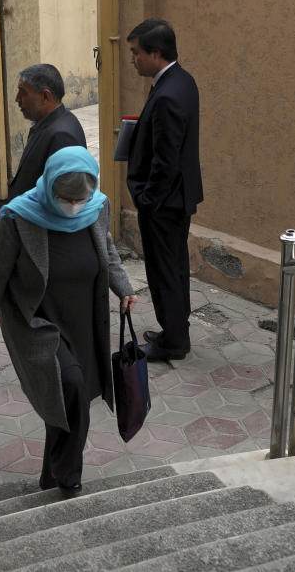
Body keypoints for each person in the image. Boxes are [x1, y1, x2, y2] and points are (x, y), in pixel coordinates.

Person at [0, 147, 137, 495]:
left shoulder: (96, 207)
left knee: (69, 402)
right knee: (69, 385)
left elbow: (108, 250)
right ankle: (70, 480)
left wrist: (124, 287)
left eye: (80, 199)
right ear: (49, 187)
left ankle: (50, 478)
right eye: (66, 198)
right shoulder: (18, 218)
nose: (74, 206)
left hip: (84, 320)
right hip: (38, 324)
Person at [125, 18, 202, 361]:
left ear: (156, 53)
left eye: (136, 53)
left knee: (165, 273)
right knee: (175, 269)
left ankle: (173, 342)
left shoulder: (169, 93)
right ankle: (175, 331)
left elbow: (165, 161)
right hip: (176, 199)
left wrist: (147, 199)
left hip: (164, 204)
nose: (133, 59)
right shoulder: (180, 80)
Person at [7, 63, 87, 200]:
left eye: (23, 92)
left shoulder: (62, 136)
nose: (17, 99)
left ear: (45, 96)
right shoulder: (47, 123)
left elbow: (67, 202)